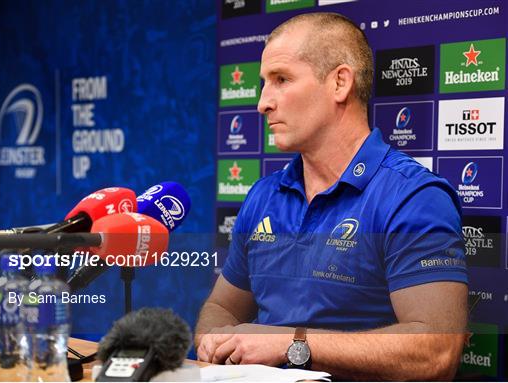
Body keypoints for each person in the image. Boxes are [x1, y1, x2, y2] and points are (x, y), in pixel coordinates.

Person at [196, 12, 468, 380]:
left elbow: (436, 352)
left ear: (340, 83)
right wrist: (214, 339)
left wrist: (292, 345)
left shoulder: (412, 197)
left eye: (281, 80)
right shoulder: (263, 195)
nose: (262, 103)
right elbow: (221, 307)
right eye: (264, 83)